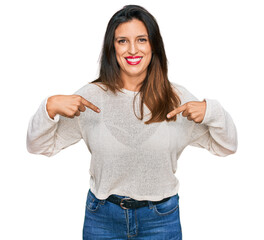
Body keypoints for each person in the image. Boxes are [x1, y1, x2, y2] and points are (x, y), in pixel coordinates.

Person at [26, 4, 238, 240]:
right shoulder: (91, 98)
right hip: (102, 220)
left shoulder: (175, 98)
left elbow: (226, 146)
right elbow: (38, 146)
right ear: (112, 47)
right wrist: (49, 107)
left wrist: (213, 111)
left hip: (161, 220)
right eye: (122, 41)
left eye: (141, 40)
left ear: (153, 45)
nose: (132, 49)